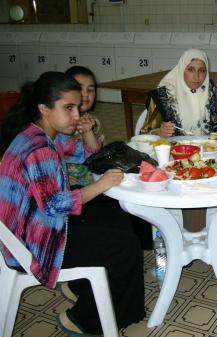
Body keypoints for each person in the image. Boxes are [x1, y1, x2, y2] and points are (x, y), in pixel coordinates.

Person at [0, 72, 145, 335]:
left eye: (77, 107)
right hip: (33, 243)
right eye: (69, 108)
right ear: (44, 108)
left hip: (35, 226)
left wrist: (87, 132)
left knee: (119, 219)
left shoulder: (43, 134)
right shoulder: (38, 149)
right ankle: (82, 319)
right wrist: (101, 185)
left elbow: (88, 155)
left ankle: (81, 285)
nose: (77, 115)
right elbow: (56, 205)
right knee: (125, 245)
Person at [65, 65, 153, 249]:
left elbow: (96, 156)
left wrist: (88, 131)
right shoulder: (62, 124)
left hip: (94, 179)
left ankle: (141, 250)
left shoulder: (91, 119)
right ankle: (129, 249)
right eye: (80, 88)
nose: (86, 94)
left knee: (137, 193)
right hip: (78, 189)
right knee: (126, 205)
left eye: (91, 89)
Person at [138, 48, 217, 137]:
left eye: (202, 71)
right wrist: (159, 132)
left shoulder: (214, 93)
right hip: (175, 153)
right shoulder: (163, 96)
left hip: (209, 151)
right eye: (191, 70)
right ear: (181, 69)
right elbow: (143, 134)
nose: (196, 77)